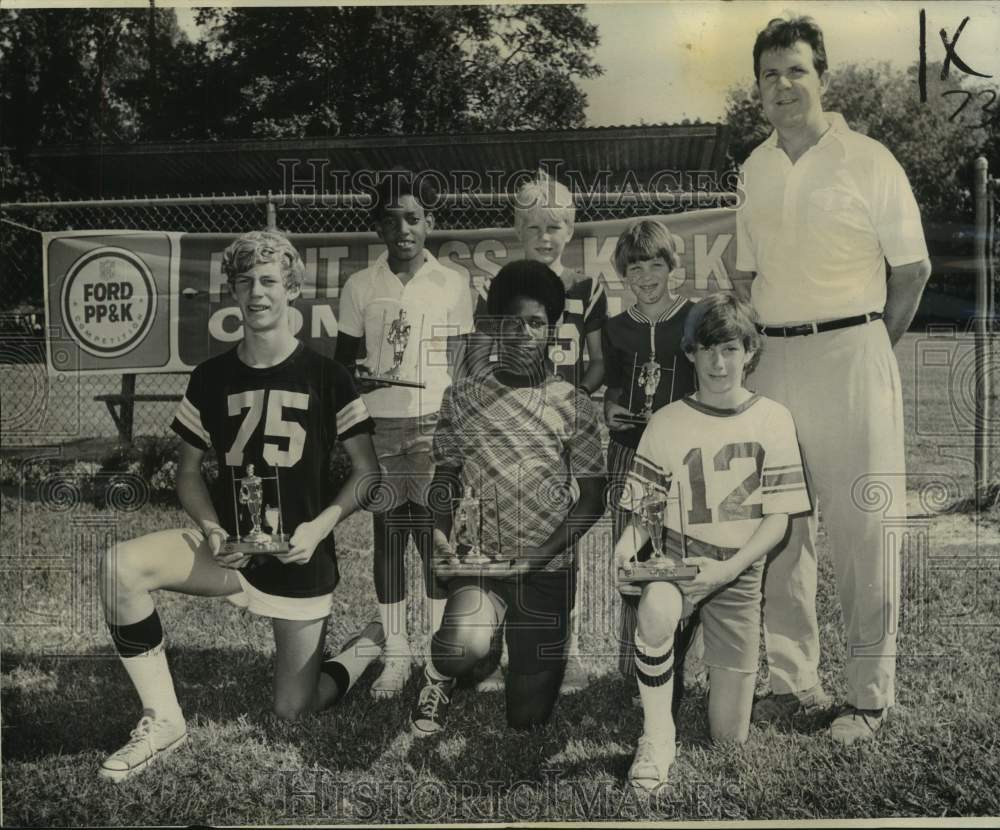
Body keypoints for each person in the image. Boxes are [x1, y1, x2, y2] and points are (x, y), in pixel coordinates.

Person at [98, 230, 383, 783]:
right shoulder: (211, 377)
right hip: (230, 556)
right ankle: (162, 720)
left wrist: (319, 528)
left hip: (300, 565)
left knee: (291, 711)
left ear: (293, 290)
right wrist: (209, 531)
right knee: (118, 567)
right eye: (245, 281)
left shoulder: (328, 375)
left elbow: (370, 474)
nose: (257, 292)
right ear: (232, 291)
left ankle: (360, 652)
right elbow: (186, 474)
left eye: (270, 281)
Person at [734, 15, 931, 744]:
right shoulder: (753, 168)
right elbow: (745, 275)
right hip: (774, 360)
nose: (782, 86)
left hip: (854, 350)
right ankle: (792, 680)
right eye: (769, 74)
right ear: (757, 89)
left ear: (822, 77)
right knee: (783, 526)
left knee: (863, 528)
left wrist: (873, 345)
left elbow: (912, 271)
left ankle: (870, 696)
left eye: (796, 70)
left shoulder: (869, 159)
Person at [614, 293, 811, 793]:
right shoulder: (667, 421)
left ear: (749, 351)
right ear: (690, 354)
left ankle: (693, 651)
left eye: (729, 349)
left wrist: (728, 571)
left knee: (729, 737)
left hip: (738, 571)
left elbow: (778, 519)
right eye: (707, 350)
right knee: (656, 610)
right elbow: (644, 510)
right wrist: (627, 545)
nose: (718, 363)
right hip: (680, 556)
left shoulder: (773, 418)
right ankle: (657, 738)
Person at [410, 260, 607, 736]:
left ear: (553, 330)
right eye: (512, 322)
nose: (523, 334)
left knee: (526, 721)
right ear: (495, 327)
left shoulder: (572, 402)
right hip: (484, 562)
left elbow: (592, 500)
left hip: (546, 567)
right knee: (464, 647)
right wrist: (438, 535)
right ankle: (438, 675)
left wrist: (537, 558)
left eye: (536, 323)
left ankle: (522, 649)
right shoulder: (463, 397)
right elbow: (446, 479)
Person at [335, 171, 475, 699]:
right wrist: (359, 379)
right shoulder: (360, 285)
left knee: (434, 540)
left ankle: (438, 661)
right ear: (377, 228)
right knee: (389, 539)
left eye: (413, 218)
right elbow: (342, 365)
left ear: (430, 223)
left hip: (435, 425)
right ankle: (396, 652)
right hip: (381, 427)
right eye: (391, 220)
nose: (403, 230)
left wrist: (458, 431)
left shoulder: (453, 284)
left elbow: (462, 368)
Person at [470, 172, 608, 693]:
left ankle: (563, 648)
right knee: (501, 522)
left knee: (564, 531)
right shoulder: (496, 288)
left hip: (564, 425)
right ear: (517, 230)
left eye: (554, 227)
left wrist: (569, 404)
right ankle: (500, 642)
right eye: (533, 227)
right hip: (509, 424)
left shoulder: (586, 288)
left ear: (570, 231)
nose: (545, 237)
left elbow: (598, 363)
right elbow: (481, 360)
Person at [602, 219, 699, 685]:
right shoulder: (617, 328)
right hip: (629, 451)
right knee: (631, 557)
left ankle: (680, 662)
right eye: (634, 268)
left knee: (680, 554)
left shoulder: (694, 318)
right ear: (624, 275)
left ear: (672, 268)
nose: (645, 276)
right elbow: (616, 389)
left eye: (654, 265)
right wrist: (611, 411)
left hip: (681, 455)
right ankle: (631, 669)